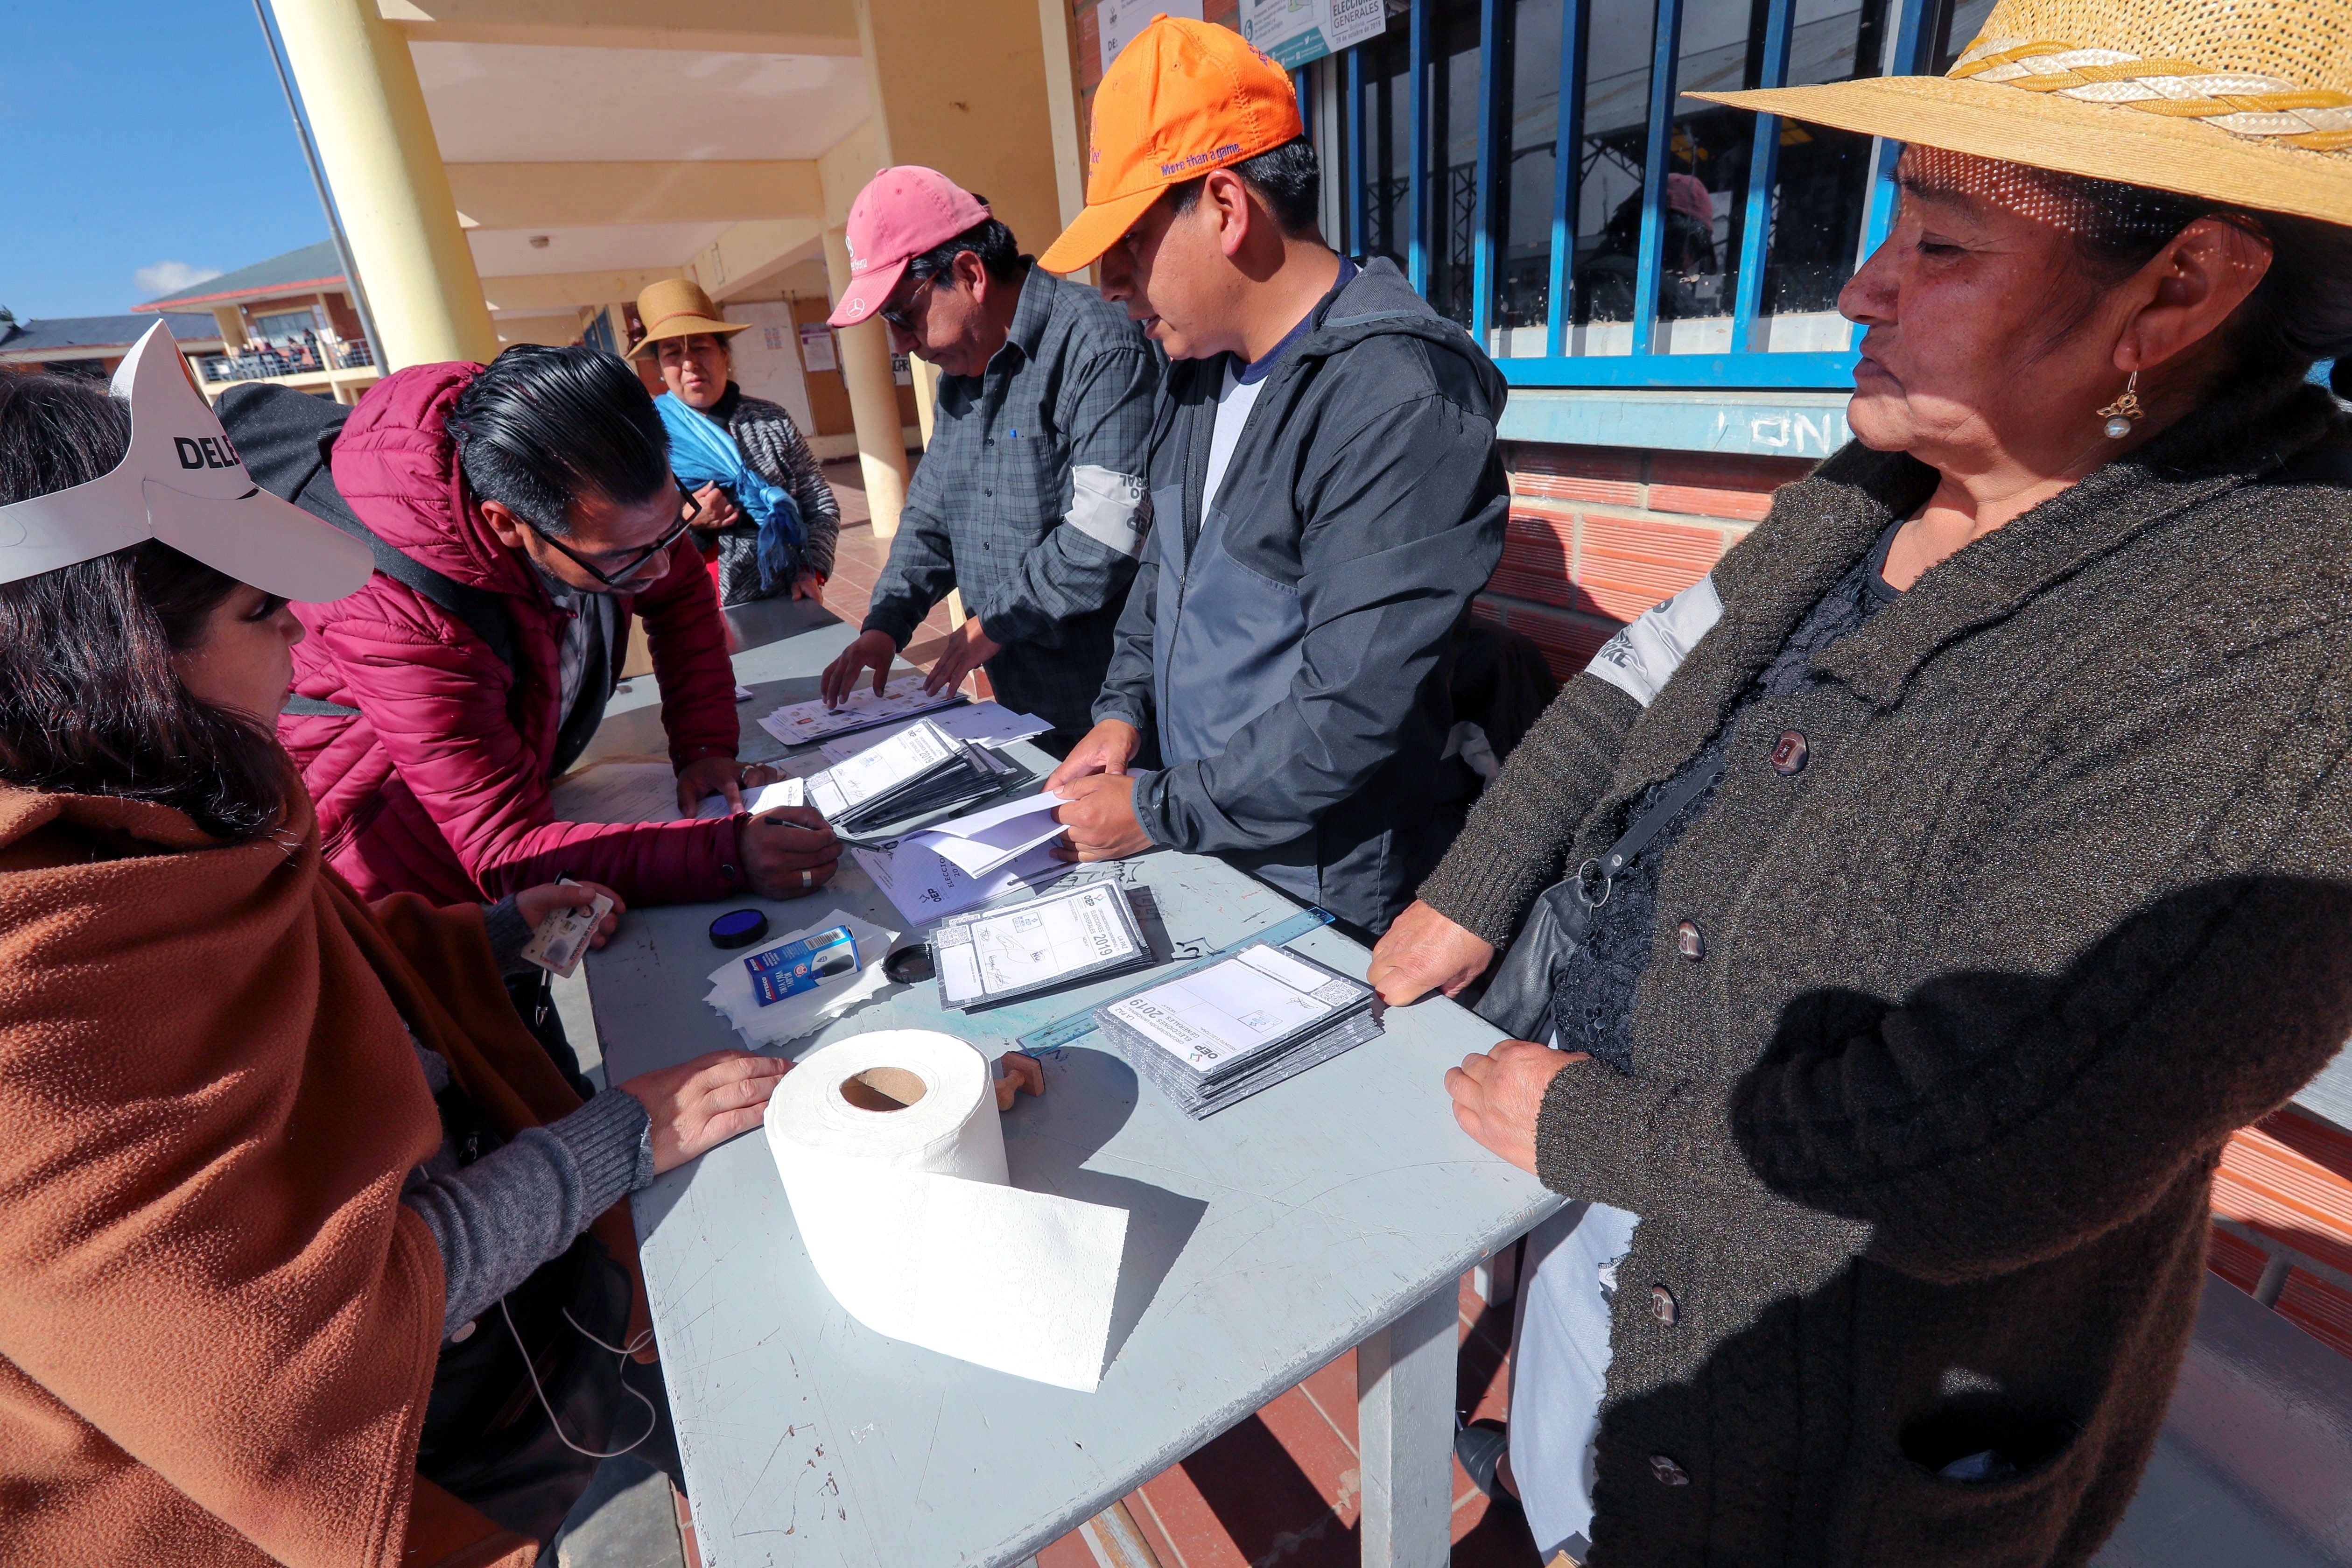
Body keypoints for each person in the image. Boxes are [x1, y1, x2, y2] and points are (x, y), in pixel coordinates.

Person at [1368, 0, 2352, 1557]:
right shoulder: (1877, 482)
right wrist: (1472, 886)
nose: (1858, 283)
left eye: (1941, 244)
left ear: (2176, 287)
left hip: (1814, 1405)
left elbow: (1987, 1140)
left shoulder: (2279, 639)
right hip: (1614, 1207)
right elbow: (1634, 677)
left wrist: (1584, 1128)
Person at [0, 344, 787, 1565]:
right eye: (266, 615)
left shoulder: (173, 801)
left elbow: (332, 975)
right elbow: (297, 1362)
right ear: (114, 659)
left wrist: (489, 934)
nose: (301, 653)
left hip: (484, 1349)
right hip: (391, 1472)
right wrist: (615, 1136)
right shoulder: (35, 998)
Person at [1038, 17, 1509, 937]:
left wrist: (1155, 809)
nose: (1111, 283)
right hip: (1203, 835)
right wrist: (1121, 714)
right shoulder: (1199, 368)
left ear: (1223, 206)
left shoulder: (1392, 396)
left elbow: (1350, 711)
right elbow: (1162, 573)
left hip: (1324, 879)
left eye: (1128, 245)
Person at [226, 345, 841, 913]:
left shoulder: (581, 467)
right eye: (625, 556)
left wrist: (705, 747)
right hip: (405, 867)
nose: (659, 564)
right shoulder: (393, 612)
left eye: (671, 527)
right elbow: (503, 848)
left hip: (511, 793)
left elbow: (679, 593)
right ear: (505, 525)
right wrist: (728, 854)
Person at [816, 166, 1157, 750]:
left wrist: (995, 622)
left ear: (970, 273)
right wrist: (885, 625)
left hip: (1111, 706)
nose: (900, 344)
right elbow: (931, 515)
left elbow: (1103, 535)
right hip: (1021, 700)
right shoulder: (962, 370)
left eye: (902, 314)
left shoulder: (1099, 346)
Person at [628, 277, 840, 608]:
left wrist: (809, 570)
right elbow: (629, 535)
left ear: (724, 354)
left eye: (700, 347)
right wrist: (686, 522)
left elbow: (820, 505)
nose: (688, 364)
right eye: (672, 353)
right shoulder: (648, 438)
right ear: (659, 367)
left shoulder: (772, 421)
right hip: (691, 609)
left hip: (786, 597)